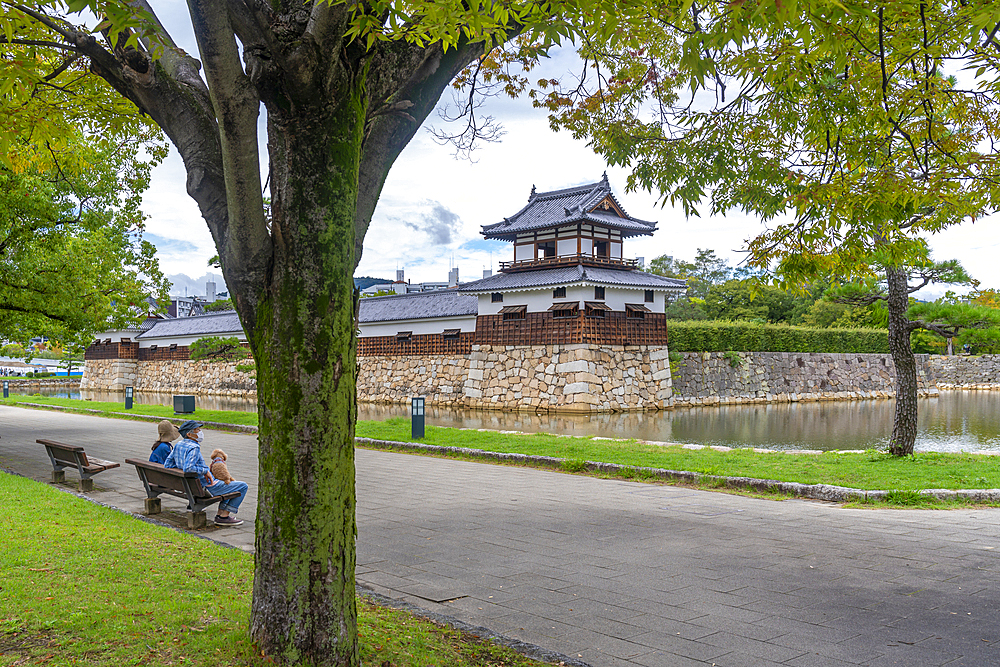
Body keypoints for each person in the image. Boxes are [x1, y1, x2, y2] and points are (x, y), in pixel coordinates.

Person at [164, 420, 249, 527]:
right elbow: (188, 468)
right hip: (206, 487)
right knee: (242, 486)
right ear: (189, 434)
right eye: (197, 430)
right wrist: (205, 471)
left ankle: (221, 515)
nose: (200, 432)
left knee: (232, 486)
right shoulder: (194, 447)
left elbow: (168, 464)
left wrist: (180, 467)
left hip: (191, 486)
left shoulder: (178, 445)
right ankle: (223, 516)